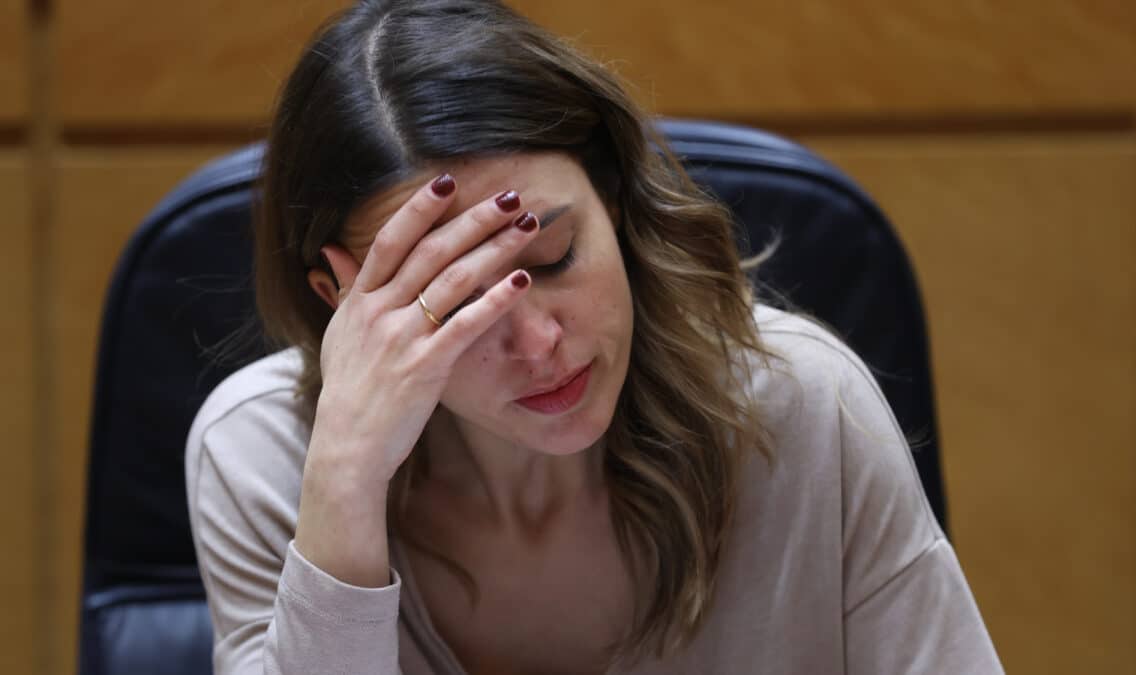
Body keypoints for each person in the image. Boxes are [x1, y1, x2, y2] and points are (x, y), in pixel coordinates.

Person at [184, 0, 1004, 673]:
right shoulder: (263, 457)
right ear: (339, 303)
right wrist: (342, 492)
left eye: (557, 254)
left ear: (614, 201)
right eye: (452, 305)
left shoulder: (802, 406)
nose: (539, 340)